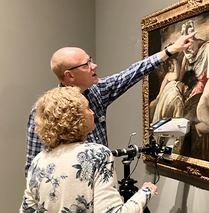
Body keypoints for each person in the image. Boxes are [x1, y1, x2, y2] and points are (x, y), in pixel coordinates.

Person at [25, 31, 198, 177]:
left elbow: (133, 72)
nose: (94, 66)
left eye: (90, 60)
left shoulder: (97, 91)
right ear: (69, 76)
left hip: (104, 184)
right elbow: (33, 165)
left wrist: (171, 50)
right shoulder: (44, 111)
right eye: (86, 65)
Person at [20, 87, 157, 212]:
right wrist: (146, 192)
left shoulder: (38, 161)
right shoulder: (97, 155)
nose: (92, 112)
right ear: (75, 117)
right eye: (87, 108)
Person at [179, 20, 209, 99]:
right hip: (190, 90)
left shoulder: (207, 49)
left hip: (206, 90)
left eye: (187, 42)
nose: (186, 47)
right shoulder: (187, 53)